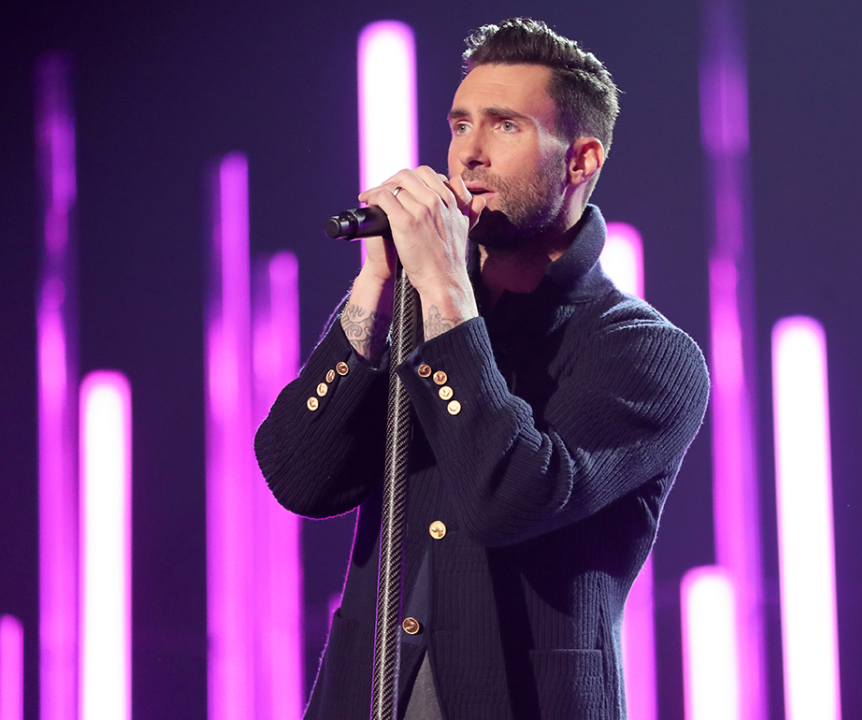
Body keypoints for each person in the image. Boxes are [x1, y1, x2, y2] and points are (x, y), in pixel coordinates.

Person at [255, 17, 709, 720]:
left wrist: (445, 294)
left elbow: (512, 499)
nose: (467, 153)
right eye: (459, 123)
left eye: (505, 127)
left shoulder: (644, 352)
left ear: (581, 160)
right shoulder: (409, 312)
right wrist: (374, 290)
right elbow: (296, 475)